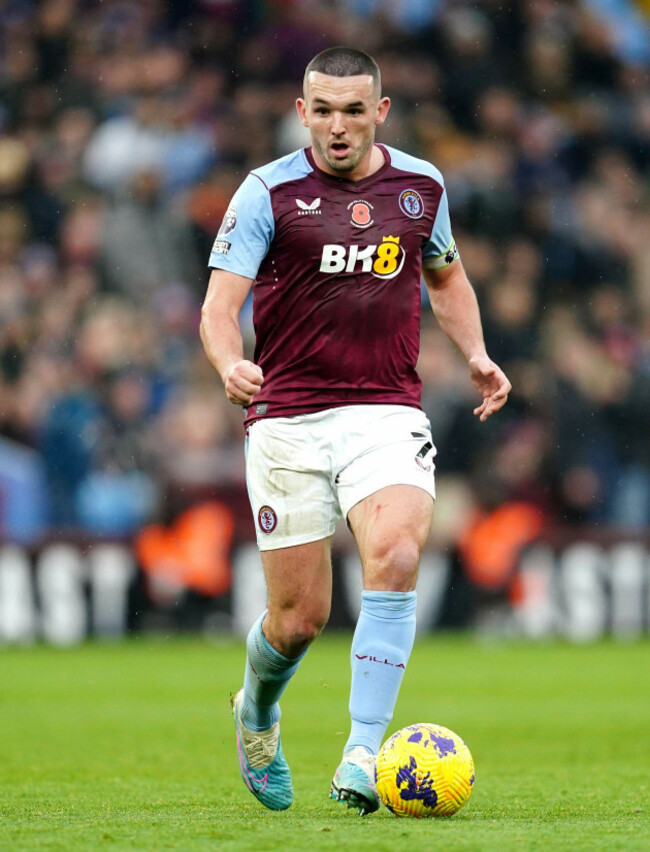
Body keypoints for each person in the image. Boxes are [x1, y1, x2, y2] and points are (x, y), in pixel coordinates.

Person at [200, 46, 511, 815]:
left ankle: (363, 749)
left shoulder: (422, 187)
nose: (339, 126)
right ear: (303, 113)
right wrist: (228, 363)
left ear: (381, 111)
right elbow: (216, 308)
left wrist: (474, 353)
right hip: (287, 419)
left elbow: (446, 276)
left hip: (386, 409)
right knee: (300, 620)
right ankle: (257, 710)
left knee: (398, 553)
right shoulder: (267, 192)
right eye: (324, 110)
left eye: (354, 109)